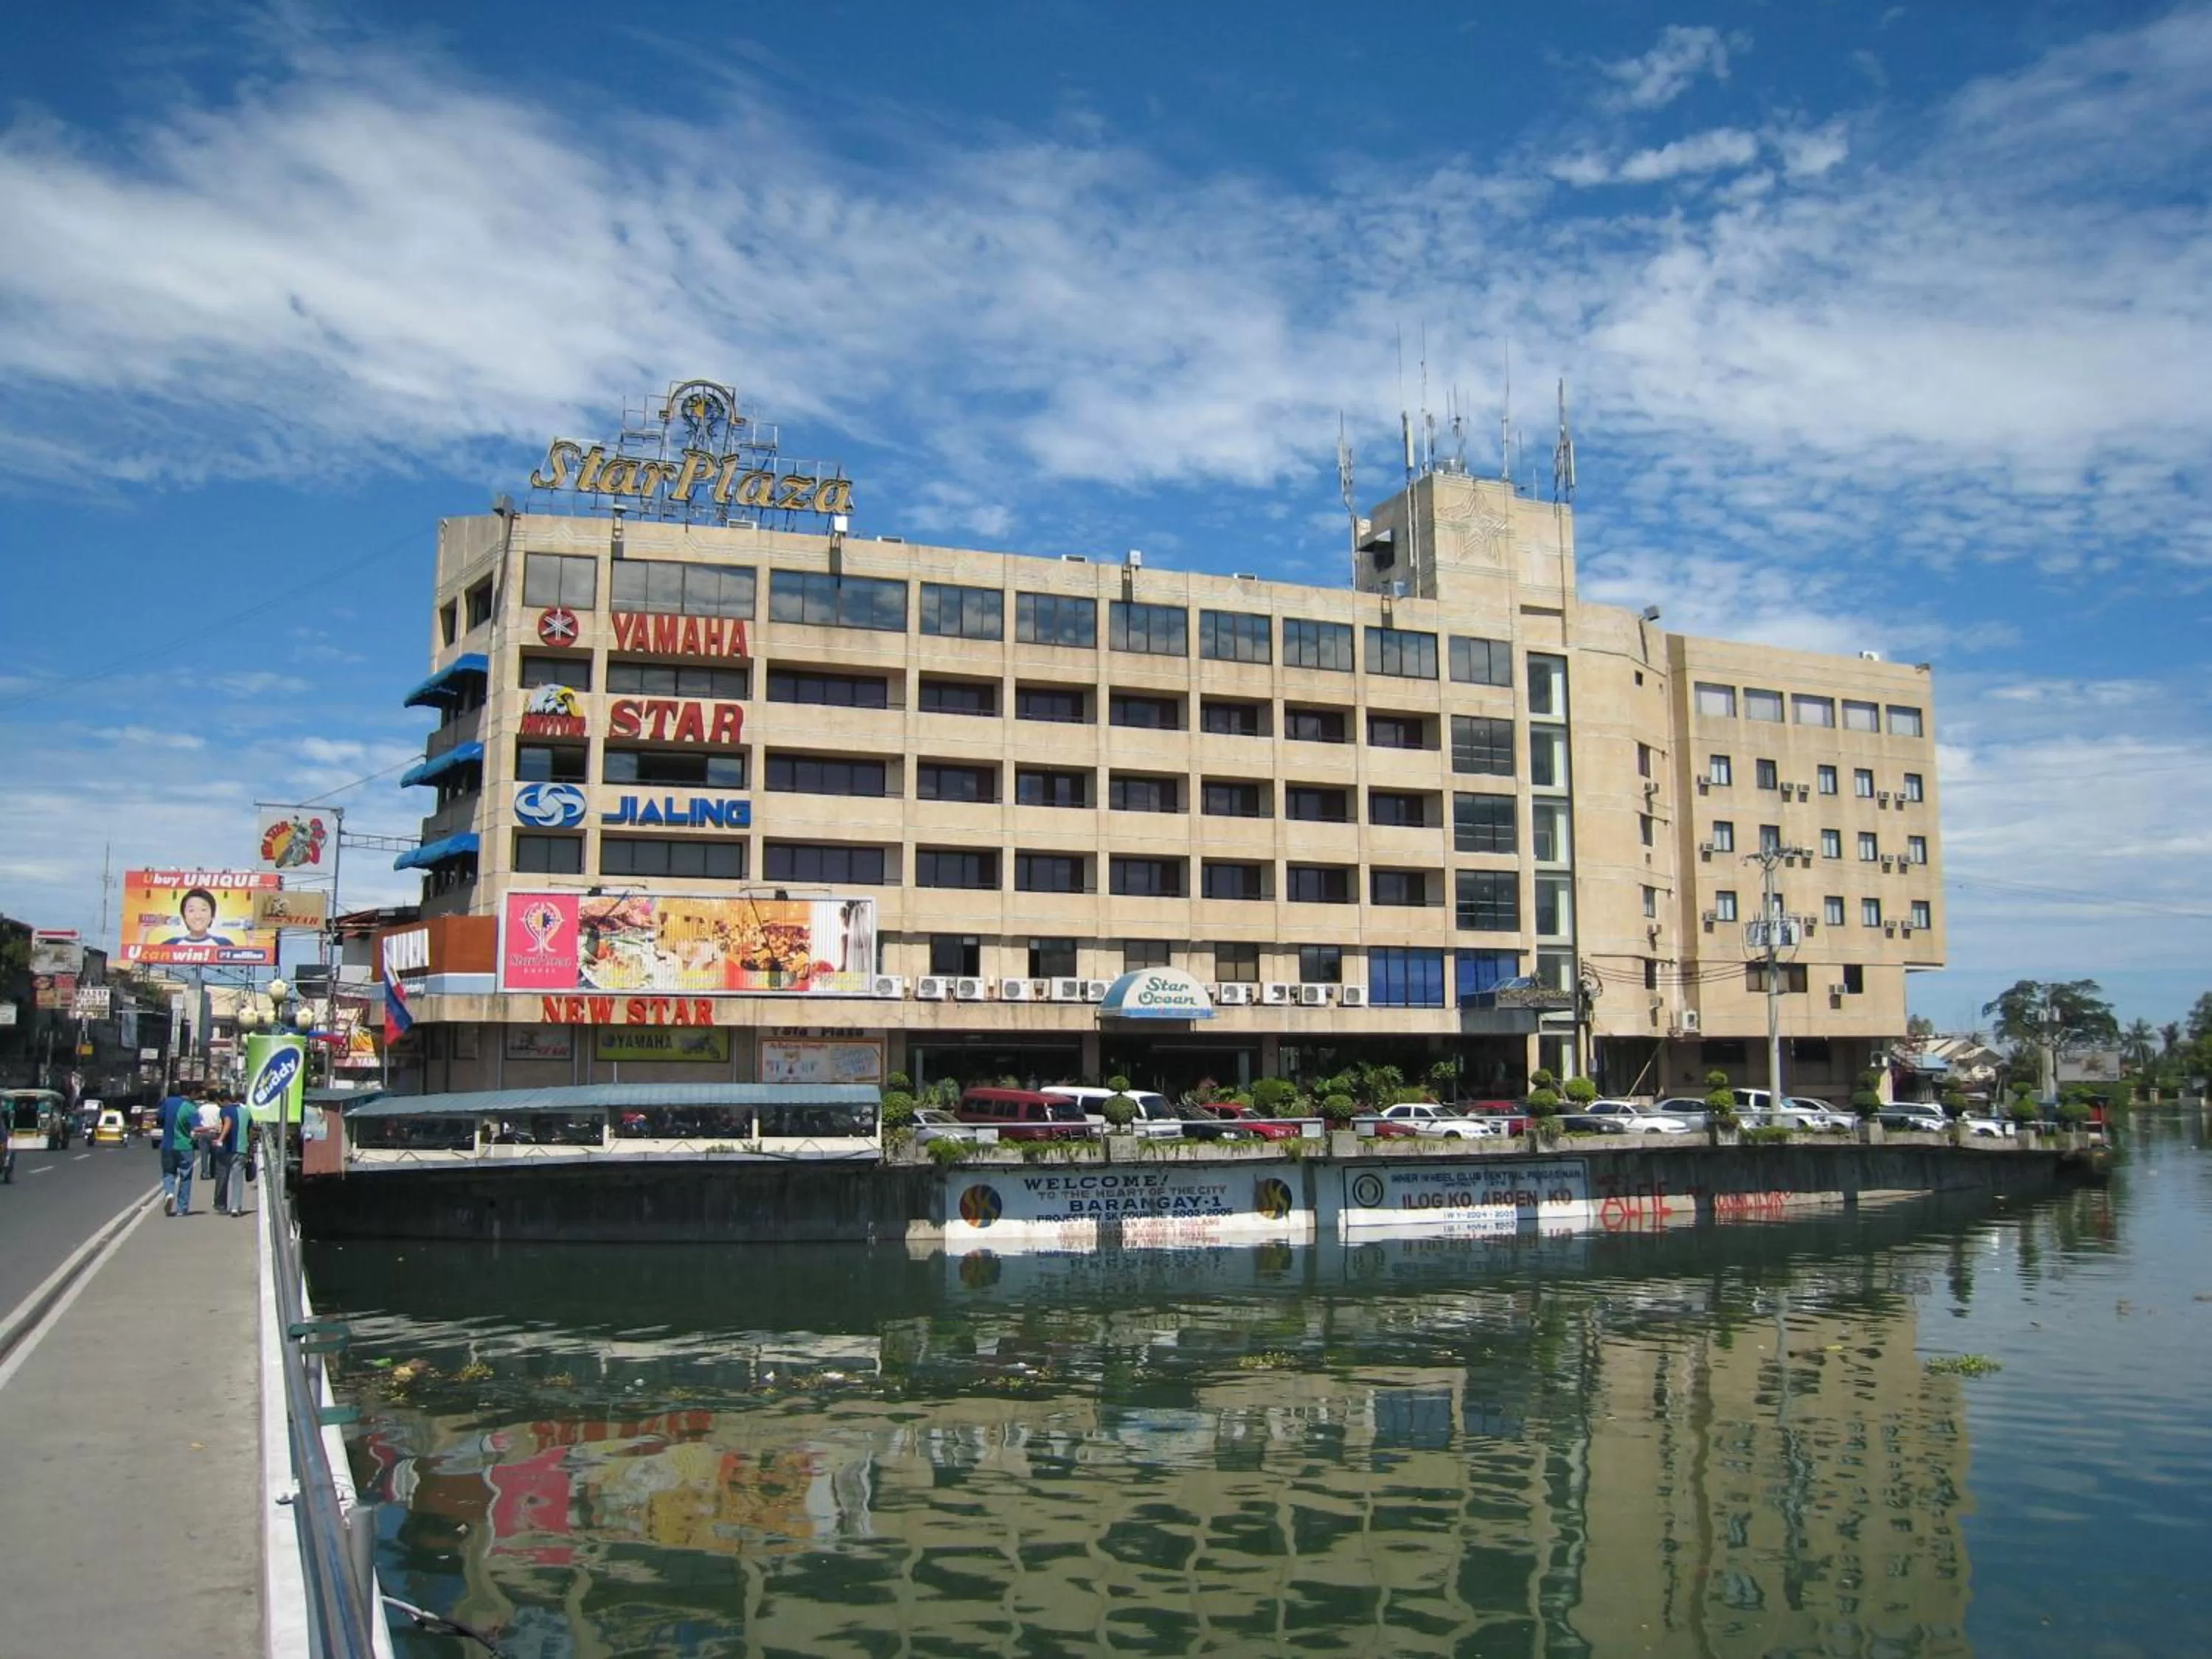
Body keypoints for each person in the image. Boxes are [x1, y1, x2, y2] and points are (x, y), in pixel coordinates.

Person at [159, 886, 236, 948]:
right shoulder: (170, 945)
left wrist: (249, 938)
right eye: (191, 910)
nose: (198, 916)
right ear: (183, 916)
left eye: (203, 910)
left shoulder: (224, 945)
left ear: (212, 915)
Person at [155, 1087, 192, 1214]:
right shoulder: (189, 1106)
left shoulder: (167, 1103)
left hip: (167, 1144)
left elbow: (159, 1118)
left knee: (168, 1172)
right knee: (185, 1176)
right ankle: (182, 1208)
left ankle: (170, 1192)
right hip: (185, 1146)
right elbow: (195, 1126)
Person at [212, 1093, 249, 1217]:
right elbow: (251, 1132)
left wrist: (220, 1139)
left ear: (225, 1101)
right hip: (242, 1149)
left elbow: (228, 1123)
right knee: (237, 1179)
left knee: (222, 1177)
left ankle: (221, 1205)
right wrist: (251, 1150)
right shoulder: (247, 1112)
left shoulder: (225, 1110)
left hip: (227, 1150)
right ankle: (235, 1207)